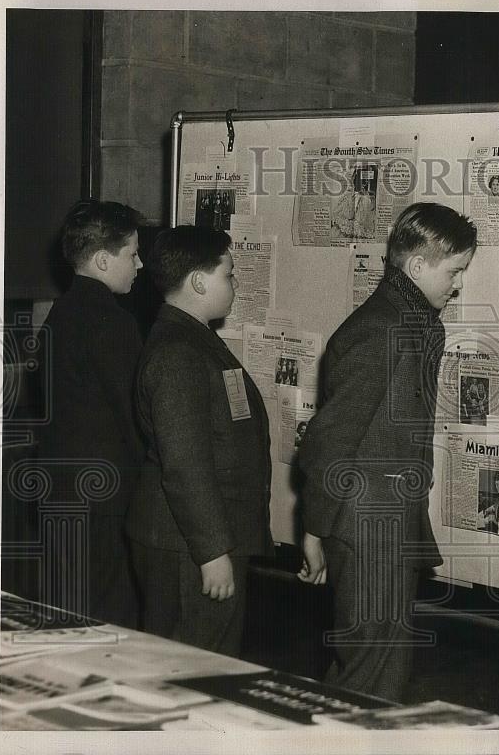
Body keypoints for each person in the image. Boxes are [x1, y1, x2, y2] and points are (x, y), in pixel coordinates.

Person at [296, 202, 477, 700]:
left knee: (379, 664)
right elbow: (329, 440)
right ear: (417, 267)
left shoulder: (412, 321)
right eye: (454, 271)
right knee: (370, 671)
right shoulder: (382, 330)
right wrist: (314, 527)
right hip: (369, 524)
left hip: (388, 521)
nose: (457, 284)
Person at [126, 226, 273, 656]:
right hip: (188, 545)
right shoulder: (178, 353)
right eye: (229, 274)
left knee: (194, 659)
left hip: (191, 536)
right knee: (194, 665)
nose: (236, 283)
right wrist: (212, 553)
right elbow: (185, 463)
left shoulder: (192, 338)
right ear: (198, 282)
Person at [38, 200, 145, 628]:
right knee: (107, 614)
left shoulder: (60, 314)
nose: (140, 263)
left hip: (58, 488)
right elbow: (136, 415)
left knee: (67, 607)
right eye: (133, 253)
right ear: (103, 259)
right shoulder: (112, 321)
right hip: (104, 497)